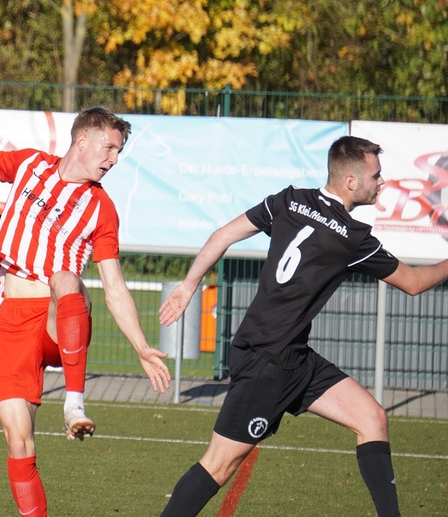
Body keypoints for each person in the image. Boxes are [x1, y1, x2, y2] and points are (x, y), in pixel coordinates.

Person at [158, 136, 448, 517]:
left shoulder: (288, 200)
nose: (382, 182)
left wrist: (187, 286)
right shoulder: (351, 236)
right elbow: (413, 283)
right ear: (350, 182)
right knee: (218, 465)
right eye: (376, 176)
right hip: (266, 362)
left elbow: (223, 235)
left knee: (372, 418)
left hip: (294, 358)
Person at [0, 51, 171, 515]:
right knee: (18, 440)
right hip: (12, 322)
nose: (114, 160)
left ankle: (74, 403)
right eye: (109, 148)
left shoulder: (101, 208)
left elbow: (114, 286)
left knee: (66, 275)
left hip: (58, 317)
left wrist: (141, 345)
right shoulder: (31, 166)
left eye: (119, 152)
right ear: (82, 139)